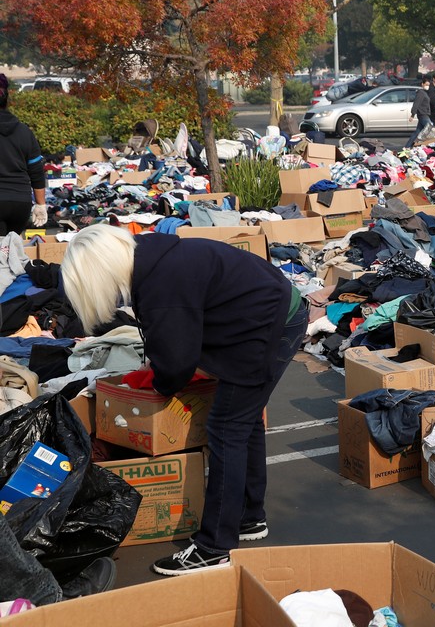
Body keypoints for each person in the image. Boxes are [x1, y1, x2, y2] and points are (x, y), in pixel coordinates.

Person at [60, 224, 307, 575]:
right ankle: (249, 518)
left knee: (226, 427)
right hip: (274, 313)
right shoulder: (149, 257)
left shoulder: (161, 283)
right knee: (243, 421)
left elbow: (175, 365)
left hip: (270, 322)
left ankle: (215, 547)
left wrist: (155, 385)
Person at [0, 75, 48, 233]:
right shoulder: (24, 131)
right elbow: (36, 171)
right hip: (20, 204)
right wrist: (40, 205)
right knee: (11, 251)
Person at [406, 78, 432, 149]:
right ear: (422, 84)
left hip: (424, 114)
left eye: (428, 85)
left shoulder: (424, 93)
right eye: (426, 85)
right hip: (423, 114)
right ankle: (424, 145)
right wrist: (412, 114)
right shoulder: (421, 93)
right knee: (430, 129)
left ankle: (407, 147)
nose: (427, 86)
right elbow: (416, 104)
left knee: (417, 132)